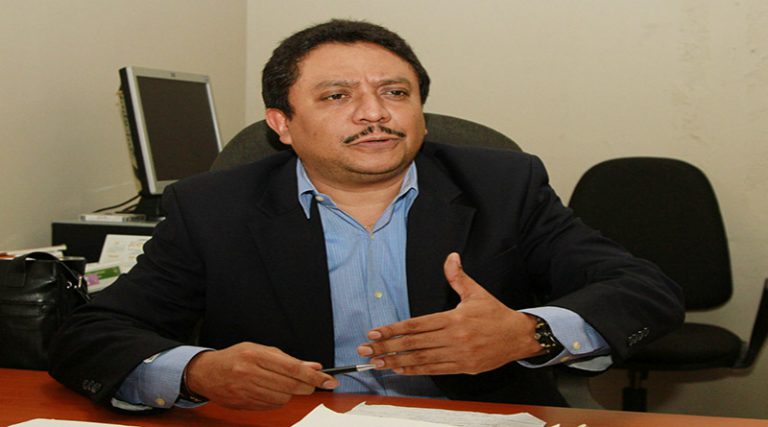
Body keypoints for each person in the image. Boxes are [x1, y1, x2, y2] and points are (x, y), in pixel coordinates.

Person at [49, 19, 684, 411]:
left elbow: (643, 290)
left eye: (395, 93)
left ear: (420, 112)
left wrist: (529, 333)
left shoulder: (504, 185)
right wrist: (196, 371)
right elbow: (89, 332)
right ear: (282, 124)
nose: (374, 113)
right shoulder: (212, 206)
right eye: (336, 96)